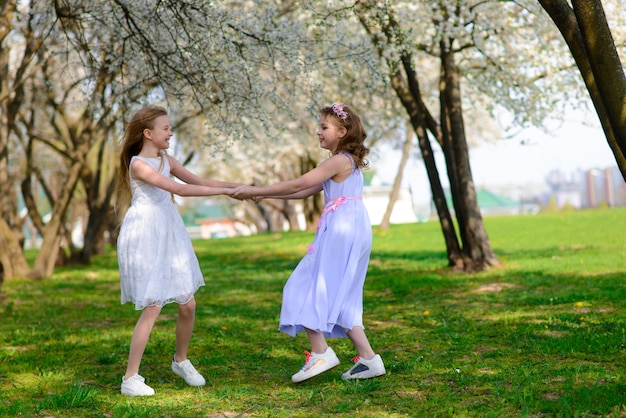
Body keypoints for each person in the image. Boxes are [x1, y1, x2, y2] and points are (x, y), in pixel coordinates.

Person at [232, 103, 386, 383]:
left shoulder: (339, 160)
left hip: (342, 230)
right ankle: (369, 359)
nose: (318, 132)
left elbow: (299, 182)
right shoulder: (345, 161)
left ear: (342, 131)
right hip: (350, 227)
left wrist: (259, 189)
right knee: (343, 295)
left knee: (300, 285)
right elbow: (304, 191)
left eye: (324, 127)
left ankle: (321, 352)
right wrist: (267, 196)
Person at [115, 105, 241, 396]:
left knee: (188, 304)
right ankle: (129, 379)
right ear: (148, 133)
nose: (171, 132)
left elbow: (199, 182)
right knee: (153, 305)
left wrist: (239, 187)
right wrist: (227, 192)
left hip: (170, 230)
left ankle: (180, 360)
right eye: (166, 128)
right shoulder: (138, 164)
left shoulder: (165, 158)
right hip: (146, 234)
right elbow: (180, 190)